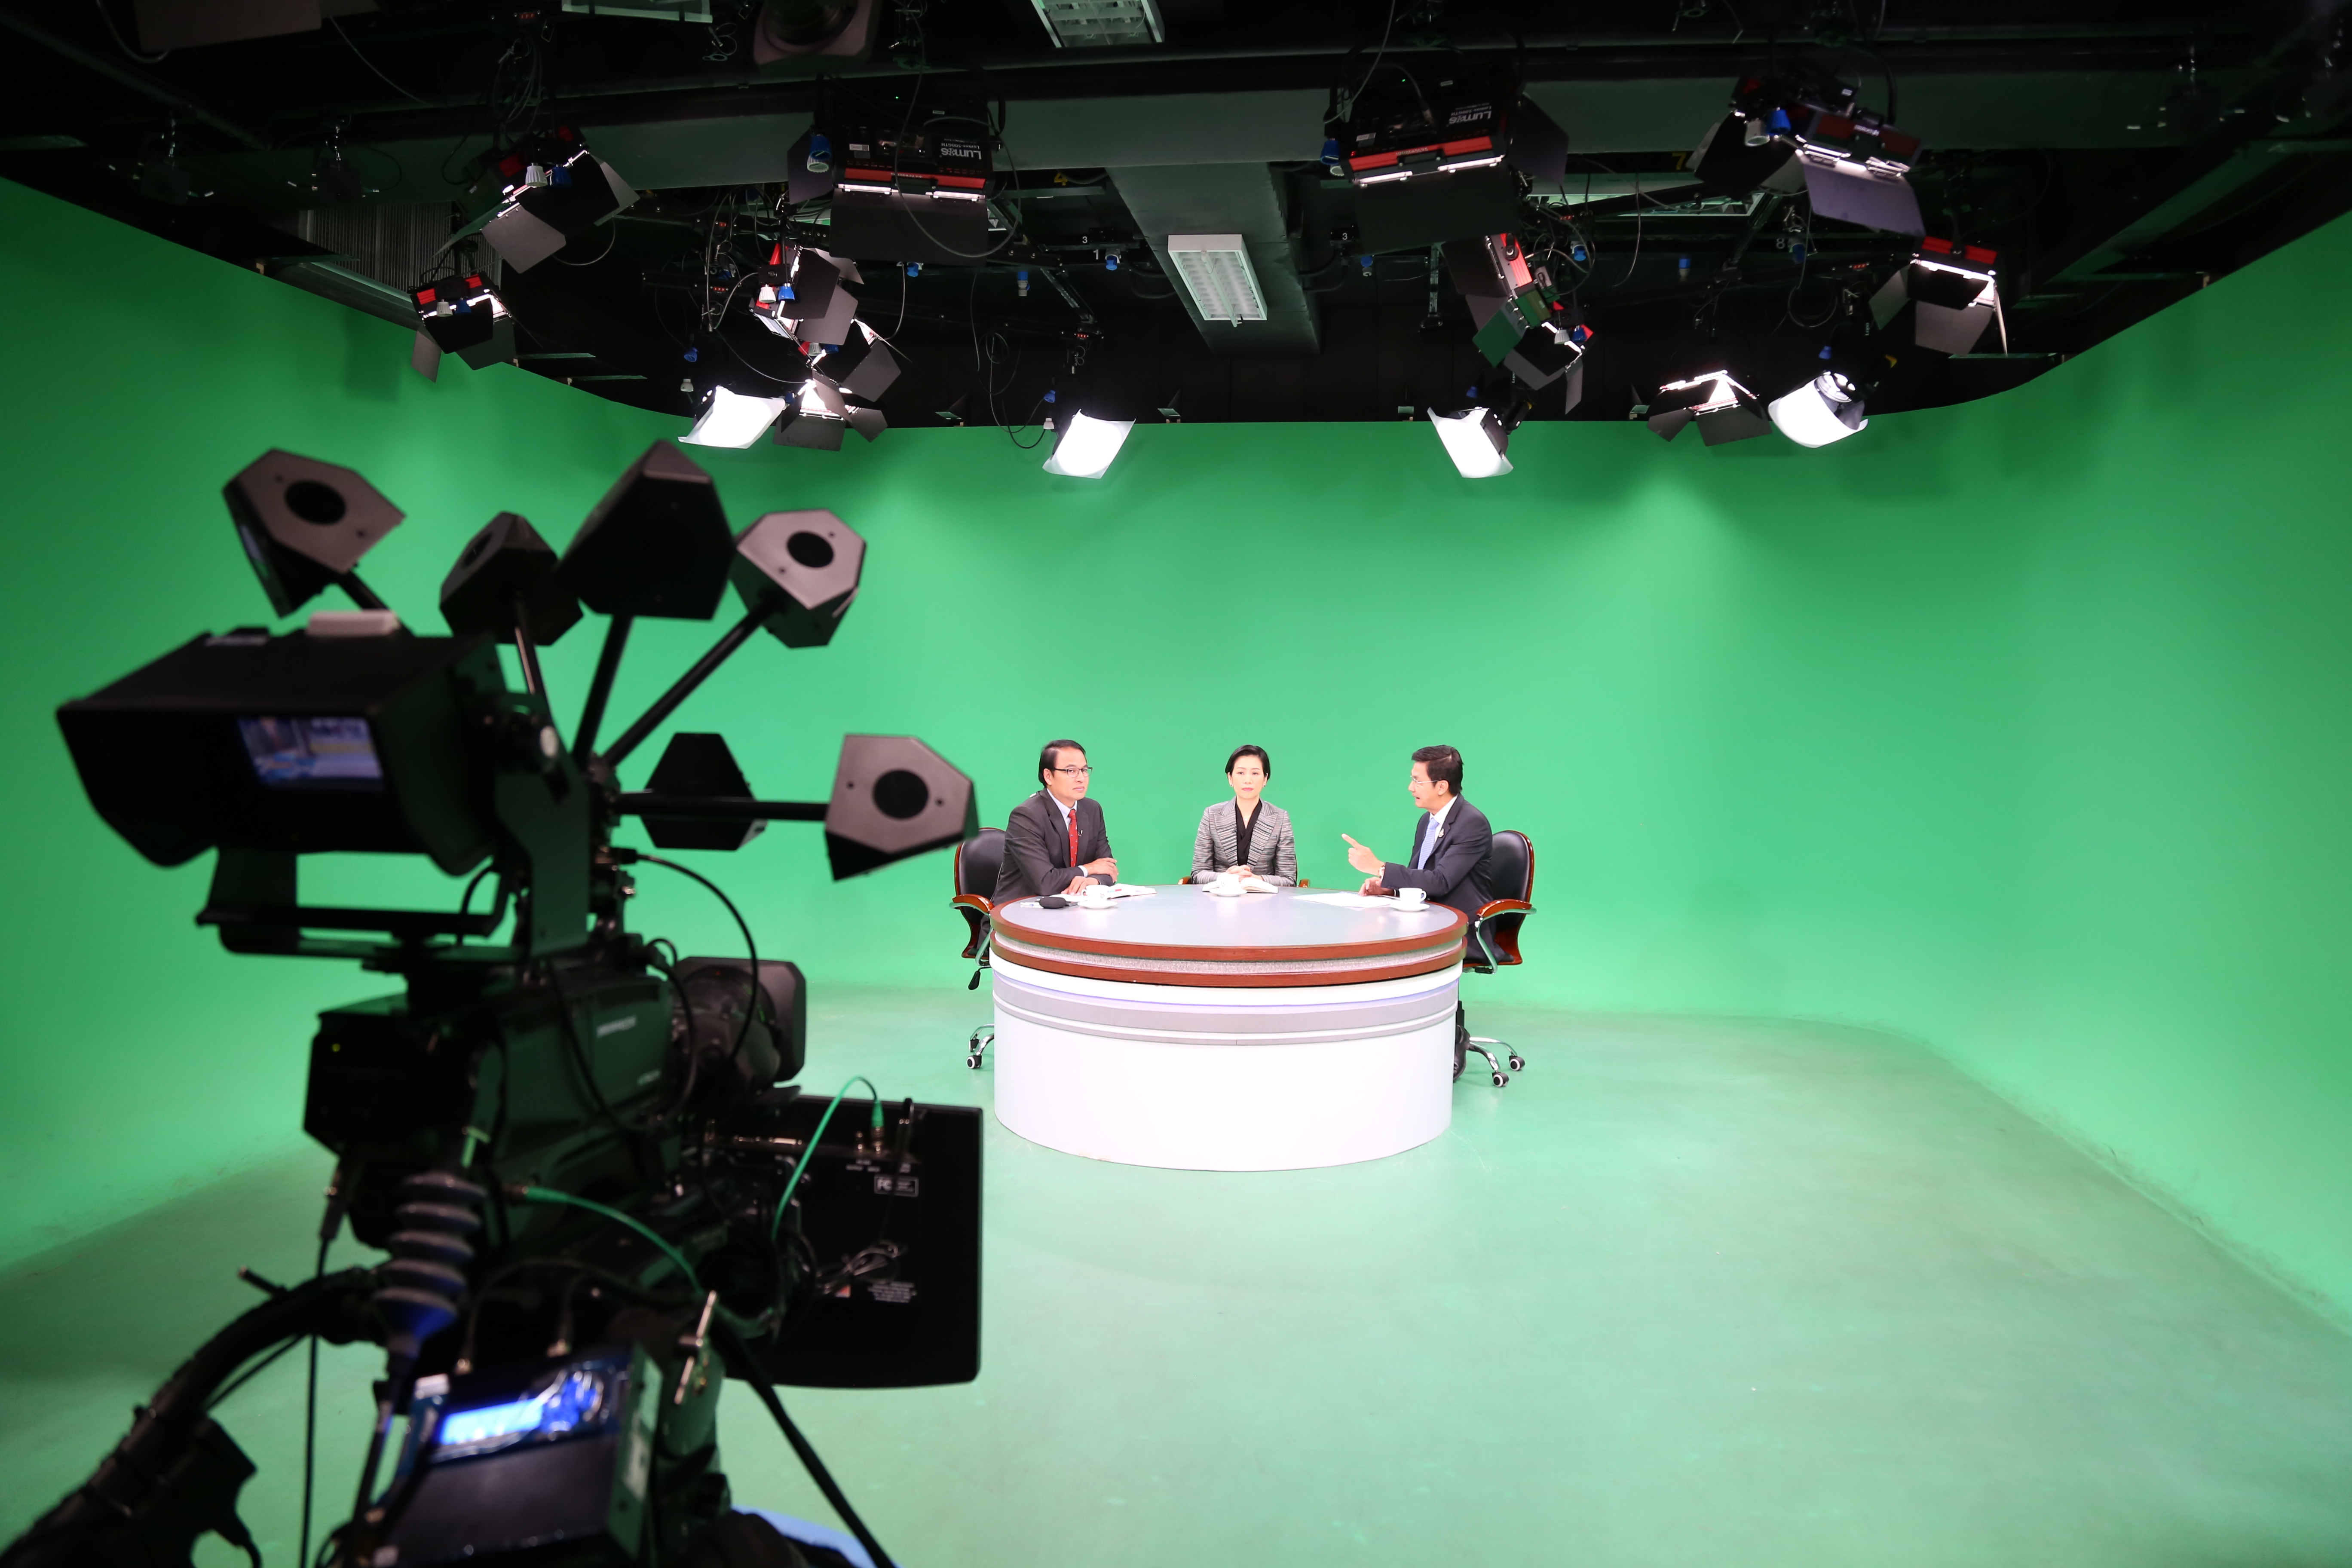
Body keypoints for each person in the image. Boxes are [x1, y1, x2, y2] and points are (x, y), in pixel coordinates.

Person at [1341, 744, 1494, 918]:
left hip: (1461, 923)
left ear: (1442, 787)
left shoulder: (1472, 823)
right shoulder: (1427, 821)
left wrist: (1380, 868)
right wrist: (1391, 890)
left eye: (1418, 781)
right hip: (1426, 916)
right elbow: (1420, 877)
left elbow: (1441, 882)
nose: (1411, 788)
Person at [995, 738, 1117, 903]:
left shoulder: (1092, 810)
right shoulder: (1026, 816)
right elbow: (1045, 883)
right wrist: (1089, 869)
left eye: (1084, 770)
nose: (1081, 778)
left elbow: (1109, 869)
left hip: (1070, 907)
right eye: (1071, 771)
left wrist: (1092, 881)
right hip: (1019, 909)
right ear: (1048, 776)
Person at [1188, 744, 1298, 885]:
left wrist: (1256, 880)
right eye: (1241, 773)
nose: (1248, 780)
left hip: (1264, 897)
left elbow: (1289, 879)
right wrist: (1226, 878)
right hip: (1220, 895)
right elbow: (1198, 873)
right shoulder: (1212, 815)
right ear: (1230, 778)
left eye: (1255, 773)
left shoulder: (1280, 818)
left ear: (1265, 779)